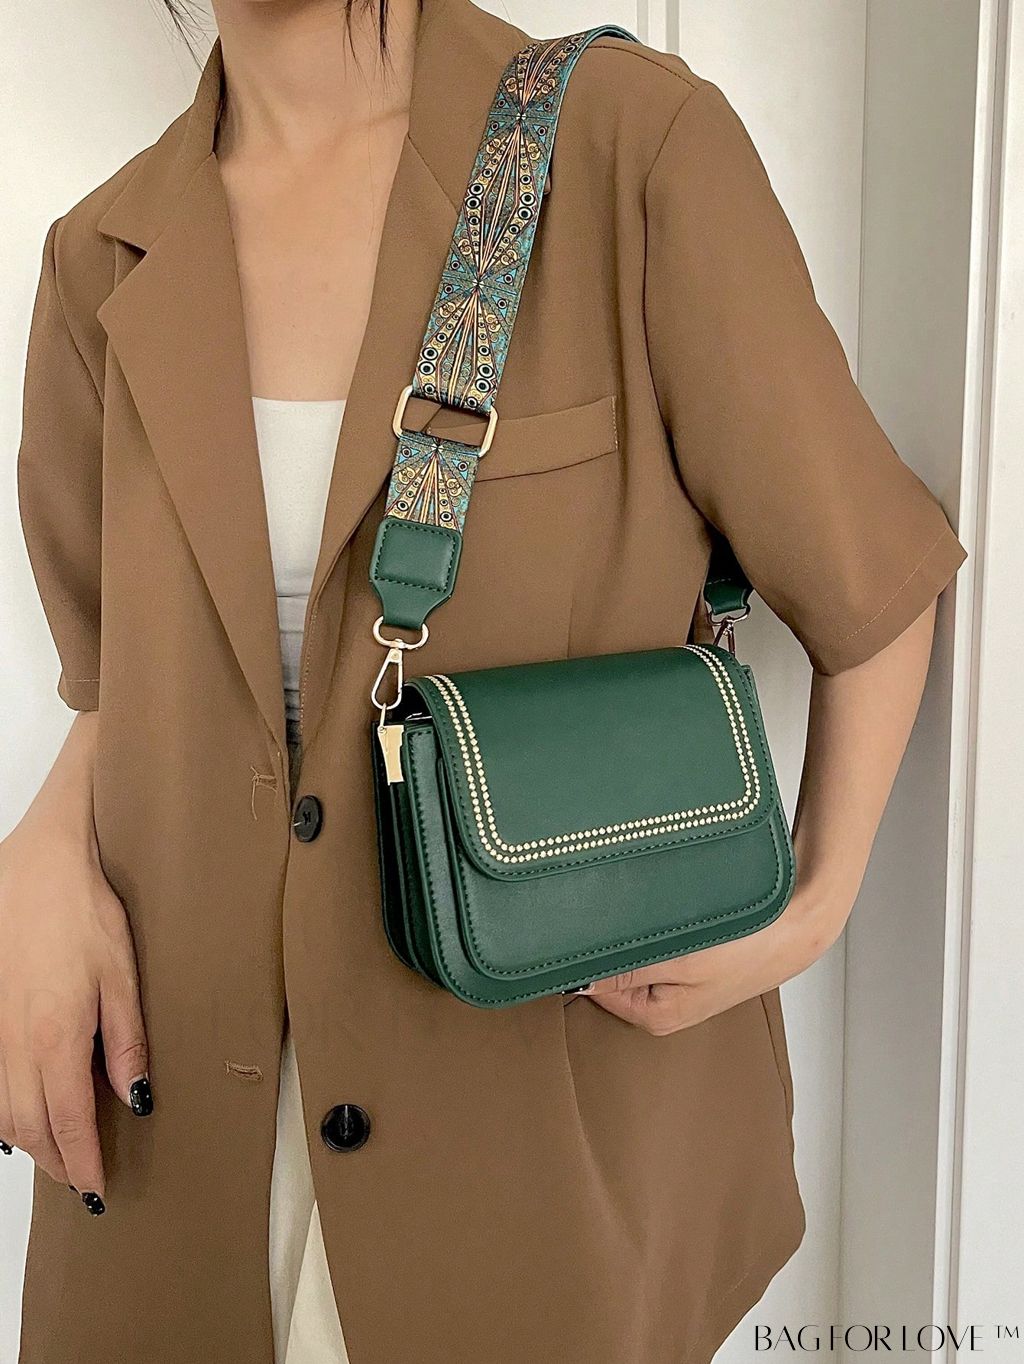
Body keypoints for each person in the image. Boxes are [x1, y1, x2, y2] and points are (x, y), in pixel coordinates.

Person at [3, 1, 967, 1361]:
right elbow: (122, 686)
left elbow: (873, 584)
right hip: (181, 1150)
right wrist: (37, 859)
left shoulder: (627, 148)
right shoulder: (101, 254)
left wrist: (808, 912)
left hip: (536, 1156)